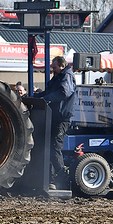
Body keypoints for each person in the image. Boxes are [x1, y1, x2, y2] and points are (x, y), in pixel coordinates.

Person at [33, 56, 77, 190]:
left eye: (54, 66)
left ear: (62, 66)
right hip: (53, 116)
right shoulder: (58, 77)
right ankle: (50, 179)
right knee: (47, 147)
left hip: (61, 118)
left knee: (54, 147)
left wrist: (46, 99)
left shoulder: (67, 76)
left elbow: (64, 92)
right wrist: (36, 96)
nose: (53, 69)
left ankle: (62, 178)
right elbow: (49, 92)